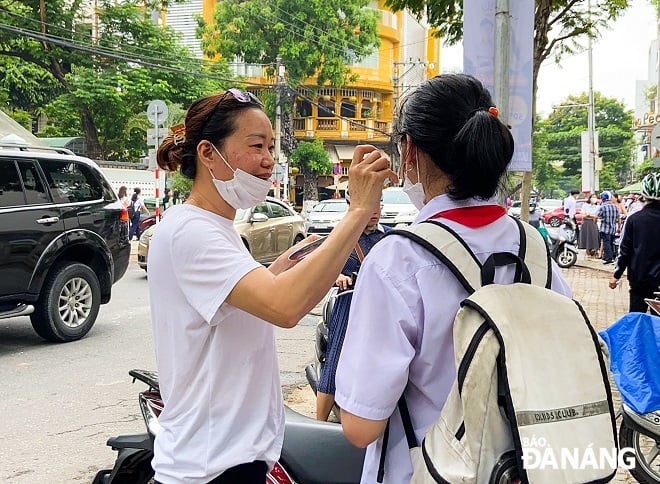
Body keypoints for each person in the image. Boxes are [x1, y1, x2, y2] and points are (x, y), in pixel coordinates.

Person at [334, 74, 571, 483]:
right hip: (521, 470)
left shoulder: (398, 258)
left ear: (410, 151)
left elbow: (360, 425)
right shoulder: (532, 247)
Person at [149, 88, 394, 484]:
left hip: (232, 460)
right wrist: (359, 210)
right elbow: (283, 306)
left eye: (272, 147)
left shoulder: (216, 228)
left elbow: (260, 291)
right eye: (256, 145)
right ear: (208, 154)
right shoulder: (191, 232)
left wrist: (312, 253)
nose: (268, 160)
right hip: (210, 468)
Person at [316, 200, 390, 421]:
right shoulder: (342, 237)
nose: (375, 211)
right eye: (371, 206)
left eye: (379, 206)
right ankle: (319, 423)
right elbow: (322, 268)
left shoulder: (390, 237)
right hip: (347, 303)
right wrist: (337, 277)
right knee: (335, 358)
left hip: (379, 306)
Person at [609, 172, 660, 313]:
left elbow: (624, 251)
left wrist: (616, 275)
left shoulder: (634, 220)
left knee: (637, 319)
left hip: (640, 279)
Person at [597, 191, 619, 265]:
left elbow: (597, 215)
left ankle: (609, 258)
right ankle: (608, 257)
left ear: (602, 198)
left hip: (604, 228)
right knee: (610, 243)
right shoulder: (615, 206)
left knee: (606, 243)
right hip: (613, 228)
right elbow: (618, 217)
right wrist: (618, 227)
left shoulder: (602, 206)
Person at [579, 193, 600, 258]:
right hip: (586, 223)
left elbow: (597, 216)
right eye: (593, 197)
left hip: (594, 223)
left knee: (595, 237)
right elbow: (584, 215)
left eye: (595, 197)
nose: (594, 199)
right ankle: (588, 252)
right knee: (587, 237)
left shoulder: (598, 206)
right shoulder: (585, 205)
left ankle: (596, 251)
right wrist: (591, 216)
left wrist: (589, 215)